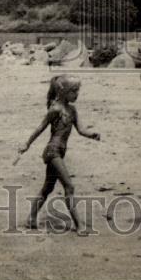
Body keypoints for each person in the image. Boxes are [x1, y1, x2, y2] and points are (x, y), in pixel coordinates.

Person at [18, 75, 100, 235]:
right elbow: (40, 128)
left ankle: (30, 219)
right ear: (63, 92)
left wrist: (92, 134)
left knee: (47, 188)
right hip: (52, 151)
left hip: (60, 152)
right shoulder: (55, 109)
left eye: (78, 91)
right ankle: (80, 225)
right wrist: (26, 144)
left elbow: (81, 130)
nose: (77, 94)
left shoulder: (72, 110)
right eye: (74, 91)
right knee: (69, 186)